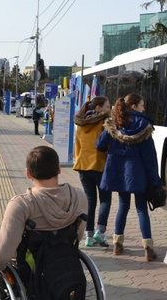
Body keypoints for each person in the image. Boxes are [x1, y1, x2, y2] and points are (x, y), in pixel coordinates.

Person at [0, 146, 88, 276]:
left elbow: (2, 253)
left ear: (28, 173)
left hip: (32, 272)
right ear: (59, 169)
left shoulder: (22, 205)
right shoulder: (78, 196)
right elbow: (77, 235)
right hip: (66, 264)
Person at [96, 93, 161, 261]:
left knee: (123, 206)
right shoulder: (145, 126)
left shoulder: (114, 122)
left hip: (117, 171)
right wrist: (155, 181)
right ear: (134, 107)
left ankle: (117, 245)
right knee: (141, 209)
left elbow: (99, 145)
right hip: (138, 173)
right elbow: (149, 157)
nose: (143, 108)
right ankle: (148, 248)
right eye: (141, 105)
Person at [73, 96, 112, 247]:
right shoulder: (104, 122)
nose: (109, 109)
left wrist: (78, 162)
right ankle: (100, 232)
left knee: (90, 201)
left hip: (83, 166)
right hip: (100, 166)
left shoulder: (81, 123)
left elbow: (77, 146)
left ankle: (89, 237)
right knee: (106, 200)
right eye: (107, 107)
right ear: (99, 109)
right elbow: (107, 146)